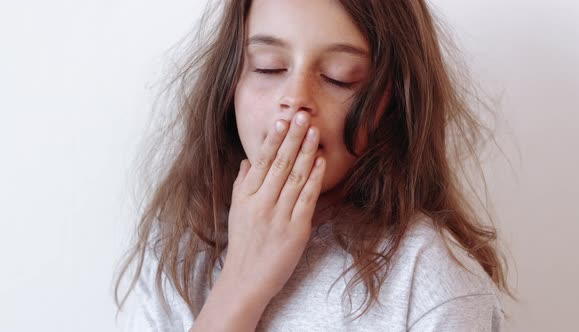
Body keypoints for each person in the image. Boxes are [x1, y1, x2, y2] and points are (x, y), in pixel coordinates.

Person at [114, 0, 517, 331]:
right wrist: (240, 283)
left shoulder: (430, 280)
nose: (295, 98)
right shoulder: (182, 253)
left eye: (339, 77)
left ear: (392, 103)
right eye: (269, 66)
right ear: (230, 83)